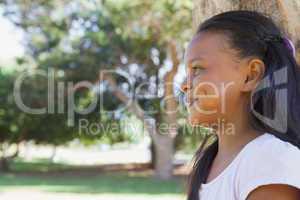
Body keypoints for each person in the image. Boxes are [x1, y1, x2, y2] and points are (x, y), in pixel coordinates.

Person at [181, 10, 300, 200]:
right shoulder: (208, 165)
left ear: (251, 75)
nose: (184, 85)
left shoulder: (270, 161)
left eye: (197, 68)